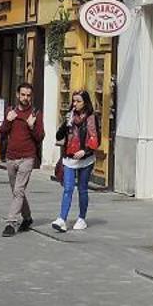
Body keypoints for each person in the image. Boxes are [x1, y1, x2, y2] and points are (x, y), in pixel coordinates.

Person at [51, 89, 100, 233]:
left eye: (78, 101)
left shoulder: (91, 118)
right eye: (74, 101)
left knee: (83, 189)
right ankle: (62, 219)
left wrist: (85, 150)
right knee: (68, 188)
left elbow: (95, 139)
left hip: (85, 158)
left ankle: (81, 218)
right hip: (70, 158)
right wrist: (65, 124)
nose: (75, 104)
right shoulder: (70, 117)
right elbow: (59, 136)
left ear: (85, 103)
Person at [0, 83, 42, 237]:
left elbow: (40, 136)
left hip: (27, 157)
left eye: (28, 95)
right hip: (11, 157)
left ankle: (11, 223)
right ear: (18, 95)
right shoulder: (11, 111)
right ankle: (28, 217)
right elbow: (3, 132)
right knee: (17, 191)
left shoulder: (35, 113)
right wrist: (8, 120)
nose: (26, 98)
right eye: (23, 94)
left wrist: (32, 126)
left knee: (18, 190)